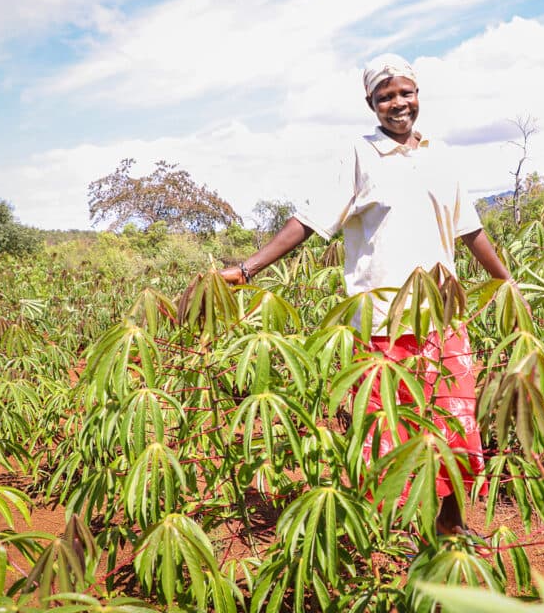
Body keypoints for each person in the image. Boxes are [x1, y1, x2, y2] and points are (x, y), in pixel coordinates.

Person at [220, 54, 513, 535]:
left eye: (405, 93)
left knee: (454, 427)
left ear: (418, 95)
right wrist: (246, 270)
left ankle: (451, 524)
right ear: (371, 104)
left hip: (442, 317)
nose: (398, 104)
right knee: (387, 433)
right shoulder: (358, 156)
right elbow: (310, 221)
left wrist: (508, 283)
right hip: (380, 320)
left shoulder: (440, 156)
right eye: (386, 97)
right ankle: (384, 534)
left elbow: (470, 230)